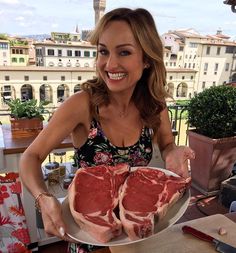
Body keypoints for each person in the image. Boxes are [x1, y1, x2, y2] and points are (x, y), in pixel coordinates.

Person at [19, 7, 195, 252]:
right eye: (103, 51)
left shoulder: (154, 106)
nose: (110, 64)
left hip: (136, 235)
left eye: (124, 52)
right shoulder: (82, 105)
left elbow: (167, 145)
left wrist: (172, 152)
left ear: (146, 59)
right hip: (91, 239)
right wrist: (43, 197)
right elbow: (31, 156)